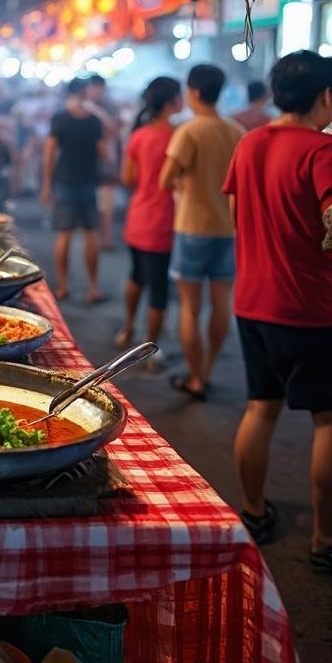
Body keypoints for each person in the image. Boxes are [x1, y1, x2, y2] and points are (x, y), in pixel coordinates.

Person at [222, 51, 332, 570]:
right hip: (312, 308)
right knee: (327, 421)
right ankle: (325, 539)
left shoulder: (250, 143)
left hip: (253, 302)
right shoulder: (321, 151)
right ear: (324, 95)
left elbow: (237, 215)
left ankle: (252, 511)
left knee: (260, 407)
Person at [160, 63, 242, 400]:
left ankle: (196, 378)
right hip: (227, 228)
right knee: (221, 302)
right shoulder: (237, 132)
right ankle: (206, 368)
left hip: (193, 227)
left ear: (193, 91)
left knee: (190, 307)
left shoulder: (189, 132)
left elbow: (165, 180)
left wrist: (185, 183)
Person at [115, 76, 182, 365]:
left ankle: (128, 328)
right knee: (159, 287)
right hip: (163, 219)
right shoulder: (177, 136)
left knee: (136, 275)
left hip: (138, 216)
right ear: (170, 103)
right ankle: (148, 348)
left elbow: (126, 178)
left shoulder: (138, 135)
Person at [41, 77, 106, 303]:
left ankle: (63, 286)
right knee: (91, 235)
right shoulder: (94, 121)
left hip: (64, 182)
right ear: (86, 93)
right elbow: (103, 152)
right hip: (88, 182)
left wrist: (47, 184)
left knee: (64, 235)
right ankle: (93, 288)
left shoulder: (61, 119)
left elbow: (49, 152)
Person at [85, 74, 121, 249]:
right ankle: (97, 236)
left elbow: (115, 129)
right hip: (88, 161)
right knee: (96, 202)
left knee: (106, 203)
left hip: (105, 161)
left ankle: (105, 237)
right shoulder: (83, 108)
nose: (96, 92)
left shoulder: (109, 107)